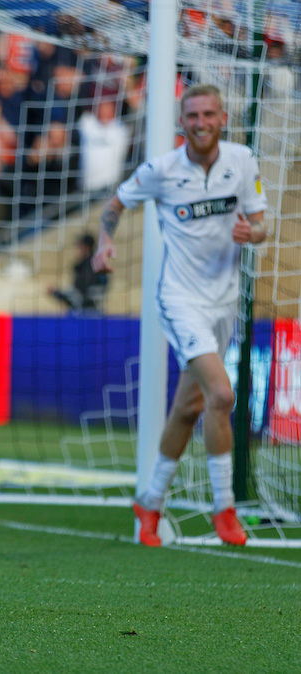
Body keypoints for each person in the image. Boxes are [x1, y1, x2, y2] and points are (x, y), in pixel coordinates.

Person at [92, 83, 267, 548]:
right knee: (222, 395)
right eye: (192, 115)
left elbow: (262, 220)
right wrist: (104, 241)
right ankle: (225, 508)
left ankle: (149, 503)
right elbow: (115, 205)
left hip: (224, 302)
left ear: (222, 118)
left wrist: (256, 232)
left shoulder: (242, 161)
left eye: (209, 114)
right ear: (182, 122)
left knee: (190, 407)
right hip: (179, 300)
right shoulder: (163, 170)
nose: (201, 122)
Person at [48, 233, 107, 312]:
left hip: (86, 313)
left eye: (79, 246)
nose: (77, 249)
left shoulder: (87, 268)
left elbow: (80, 294)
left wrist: (56, 293)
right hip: (95, 312)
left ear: (86, 247)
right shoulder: (97, 264)